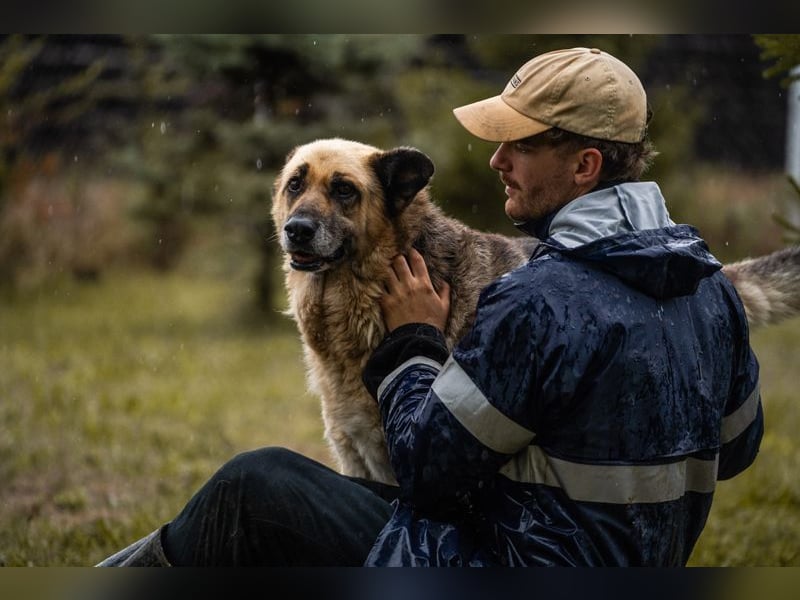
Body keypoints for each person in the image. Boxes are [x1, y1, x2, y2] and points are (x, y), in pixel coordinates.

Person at [95, 46, 763, 567]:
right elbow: (735, 451)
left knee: (254, 487)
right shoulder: (708, 290)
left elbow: (427, 477)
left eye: (521, 145)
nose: (497, 159)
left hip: (505, 564)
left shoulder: (537, 300)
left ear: (585, 166)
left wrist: (413, 343)